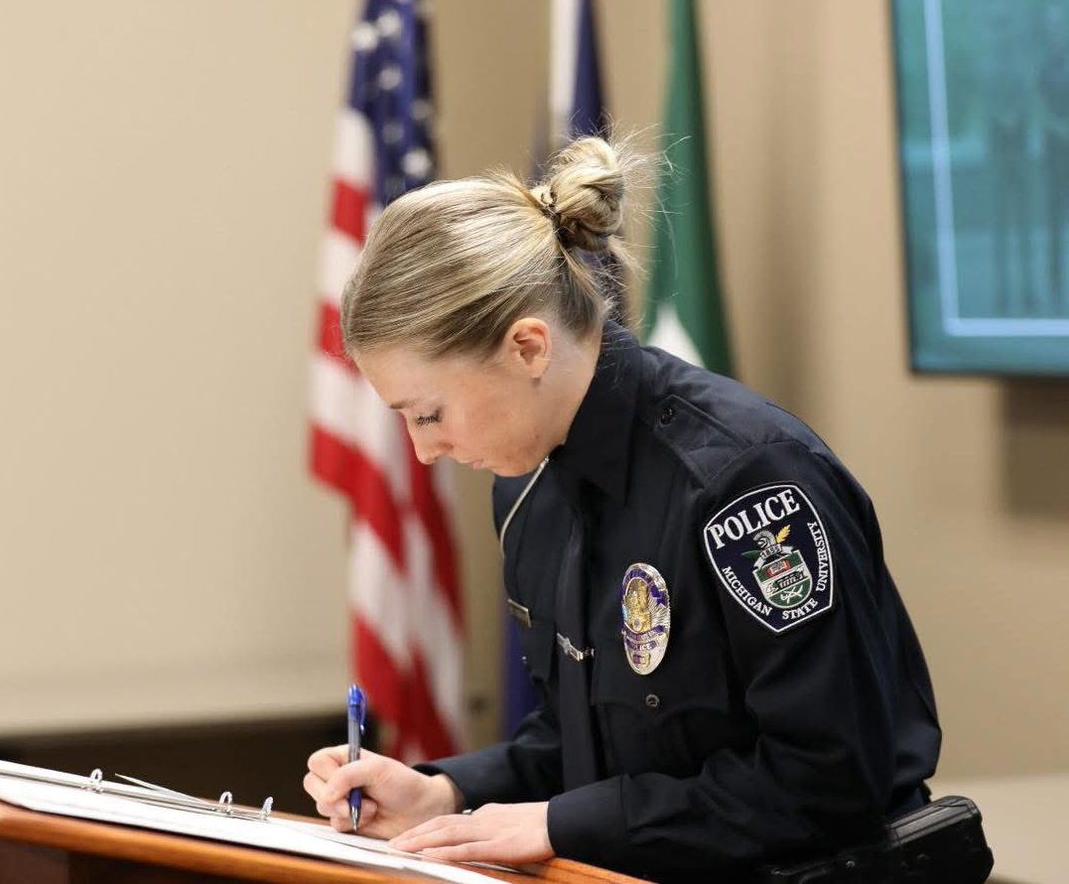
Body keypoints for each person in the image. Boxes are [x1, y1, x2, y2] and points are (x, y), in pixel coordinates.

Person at [303, 137, 941, 883]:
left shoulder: (747, 484)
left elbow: (828, 780)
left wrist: (556, 822)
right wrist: (448, 790)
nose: (423, 451)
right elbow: (592, 738)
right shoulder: (527, 490)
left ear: (528, 347)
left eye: (429, 412)